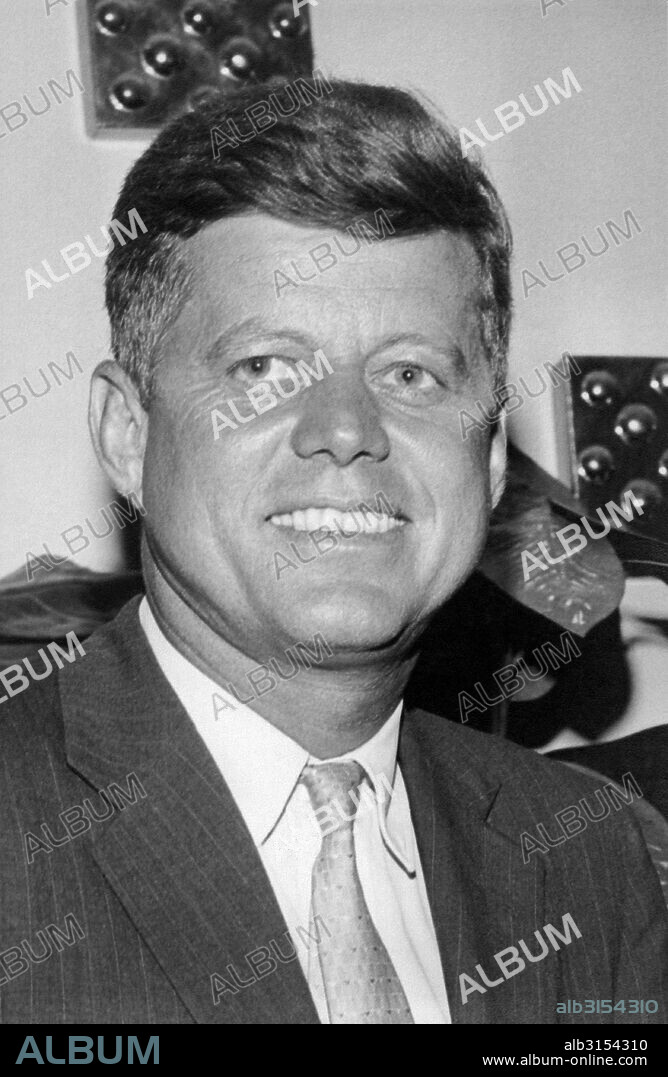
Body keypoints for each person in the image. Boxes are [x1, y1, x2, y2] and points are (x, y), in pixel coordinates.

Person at [1, 74, 665, 1025]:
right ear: (127, 434)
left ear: (488, 461)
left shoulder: (589, 862)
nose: (348, 429)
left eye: (411, 373)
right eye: (265, 367)